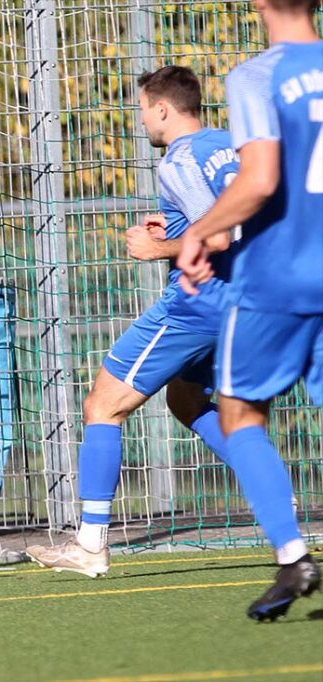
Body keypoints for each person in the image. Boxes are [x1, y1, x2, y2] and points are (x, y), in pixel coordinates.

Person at [26, 65, 239, 577]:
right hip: (241, 300)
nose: (141, 119)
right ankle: (280, 506)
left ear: (162, 108)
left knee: (102, 404)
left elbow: (224, 236)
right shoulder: (228, 145)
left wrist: (159, 246)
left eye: (142, 108)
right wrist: (180, 224)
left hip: (195, 302)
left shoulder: (178, 160)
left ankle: (90, 545)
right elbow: (232, 211)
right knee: (186, 402)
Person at [177, 0, 322, 621]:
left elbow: (259, 180)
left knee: (238, 411)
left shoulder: (256, 76)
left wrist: (200, 232)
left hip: (278, 277)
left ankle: (293, 557)